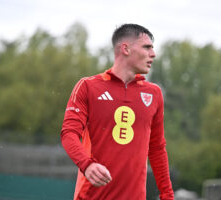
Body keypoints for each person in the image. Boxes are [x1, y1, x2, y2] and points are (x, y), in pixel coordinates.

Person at [61, 24, 174, 200]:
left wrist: (167, 195)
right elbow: (69, 134)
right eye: (147, 47)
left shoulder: (154, 93)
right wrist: (87, 165)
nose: (153, 54)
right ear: (125, 49)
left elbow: (157, 149)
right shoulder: (87, 87)